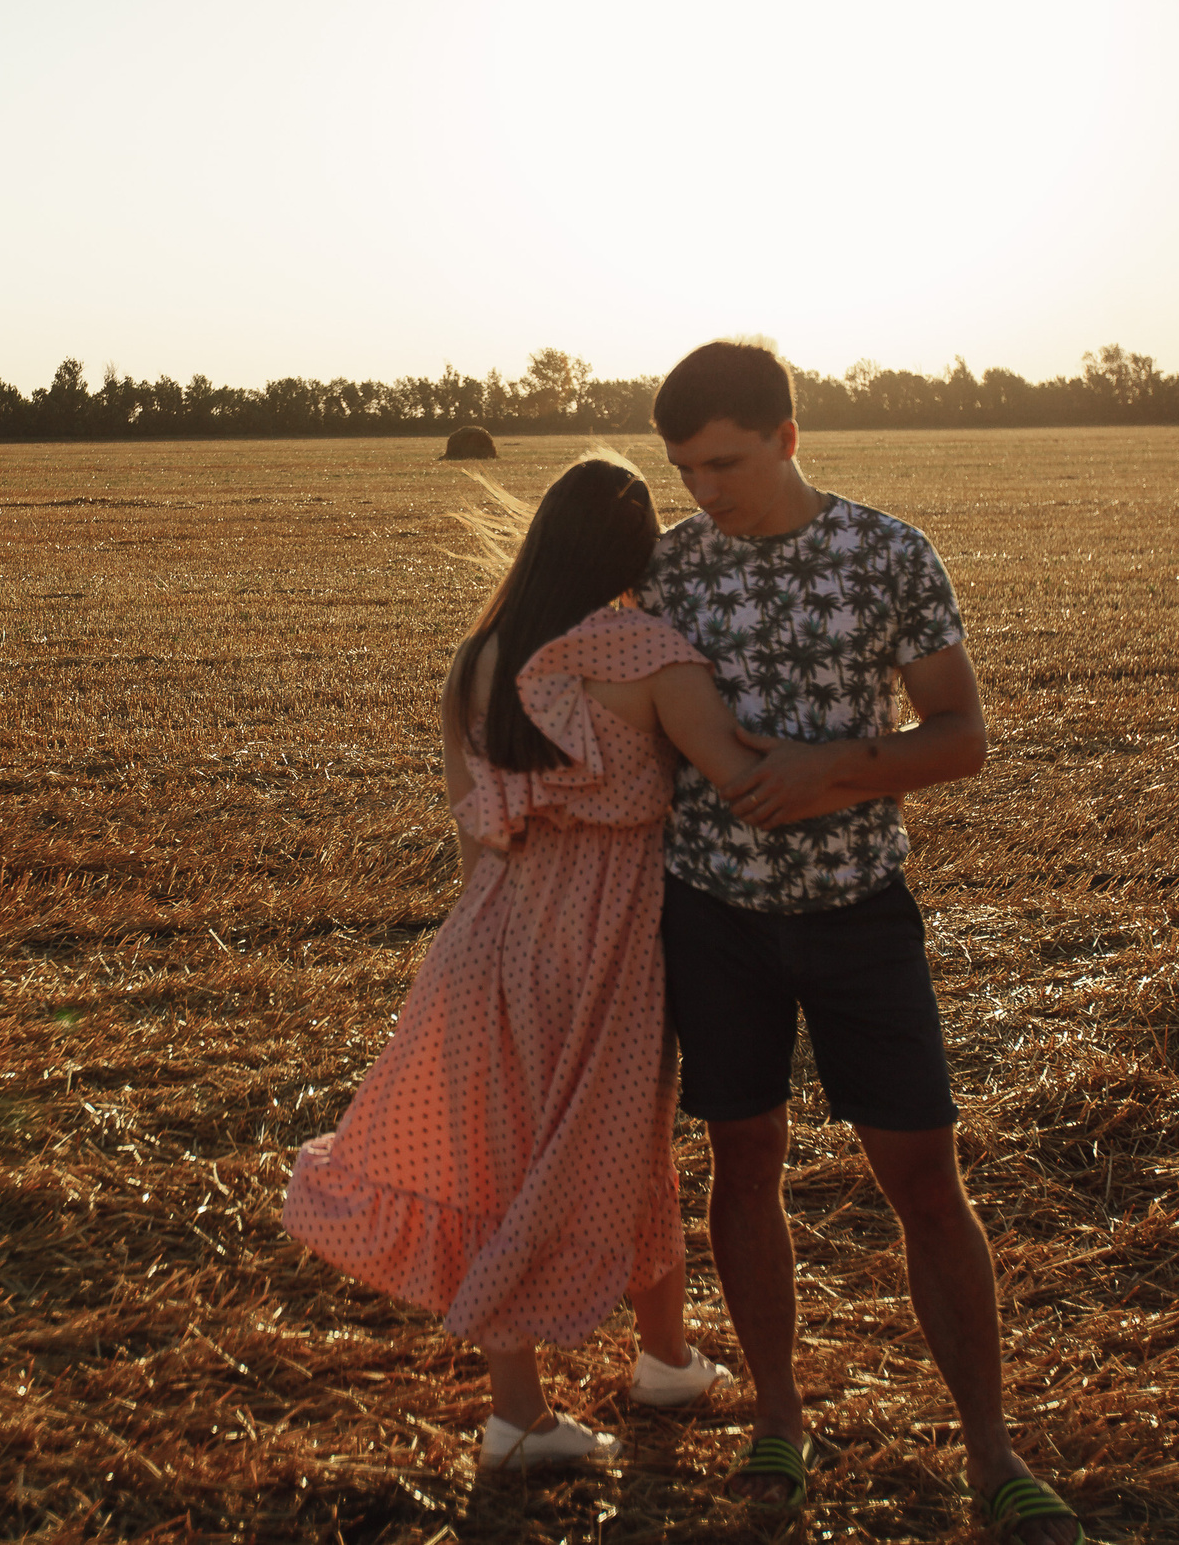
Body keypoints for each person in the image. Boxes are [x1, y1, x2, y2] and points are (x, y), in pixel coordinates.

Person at [638, 338, 1084, 1543]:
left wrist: (832, 771)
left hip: (859, 916)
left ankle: (990, 1456)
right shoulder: (666, 571)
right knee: (742, 1159)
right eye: (684, 470)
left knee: (925, 1183)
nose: (704, 492)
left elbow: (960, 735)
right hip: (713, 913)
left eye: (724, 462)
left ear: (787, 436)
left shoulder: (886, 553)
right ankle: (778, 1417)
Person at [281, 453, 767, 1472]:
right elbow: (738, 777)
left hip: (490, 935)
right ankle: (650, 1364)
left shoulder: (476, 659)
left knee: (500, 1163)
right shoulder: (649, 656)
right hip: (607, 945)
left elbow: (474, 839)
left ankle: (538, 1406)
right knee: (623, 1143)